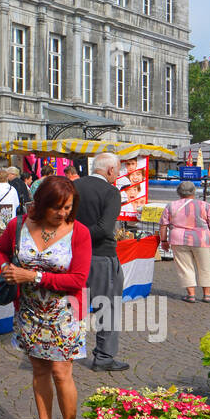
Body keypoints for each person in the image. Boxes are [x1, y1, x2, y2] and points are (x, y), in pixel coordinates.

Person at [0, 174, 92, 419]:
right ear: (41, 204)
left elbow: (78, 280)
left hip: (64, 313)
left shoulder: (79, 232)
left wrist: (32, 276)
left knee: (62, 372)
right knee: (39, 370)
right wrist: (7, 270)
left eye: (68, 207)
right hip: (29, 311)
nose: (63, 213)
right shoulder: (19, 225)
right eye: (57, 207)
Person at [73, 152, 128, 372]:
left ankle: (64, 350)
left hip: (74, 255)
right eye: (117, 171)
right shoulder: (111, 191)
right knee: (108, 306)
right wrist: (79, 237)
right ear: (110, 171)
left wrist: (72, 236)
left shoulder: (73, 187)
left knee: (72, 304)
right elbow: (105, 228)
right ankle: (104, 357)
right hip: (100, 256)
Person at [159, 181, 210, 302]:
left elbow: (163, 225)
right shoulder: (205, 205)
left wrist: (164, 240)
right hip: (201, 238)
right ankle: (207, 294)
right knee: (205, 266)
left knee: (184, 266)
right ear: (194, 191)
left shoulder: (171, 206)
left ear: (178, 192)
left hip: (179, 239)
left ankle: (191, 294)